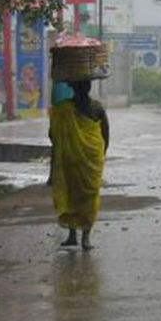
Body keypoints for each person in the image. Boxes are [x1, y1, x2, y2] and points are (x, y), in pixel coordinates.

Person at [49, 80, 109, 250]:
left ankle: (73, 235)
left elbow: (53, 136)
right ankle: (84, 238)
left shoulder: (62, 109)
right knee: (88, 198)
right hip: (92, 160)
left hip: (70, 158)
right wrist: (101, 157)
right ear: (89, 88)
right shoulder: (97, 108)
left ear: (72, 88)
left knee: (71, 195)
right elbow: (106, 135)